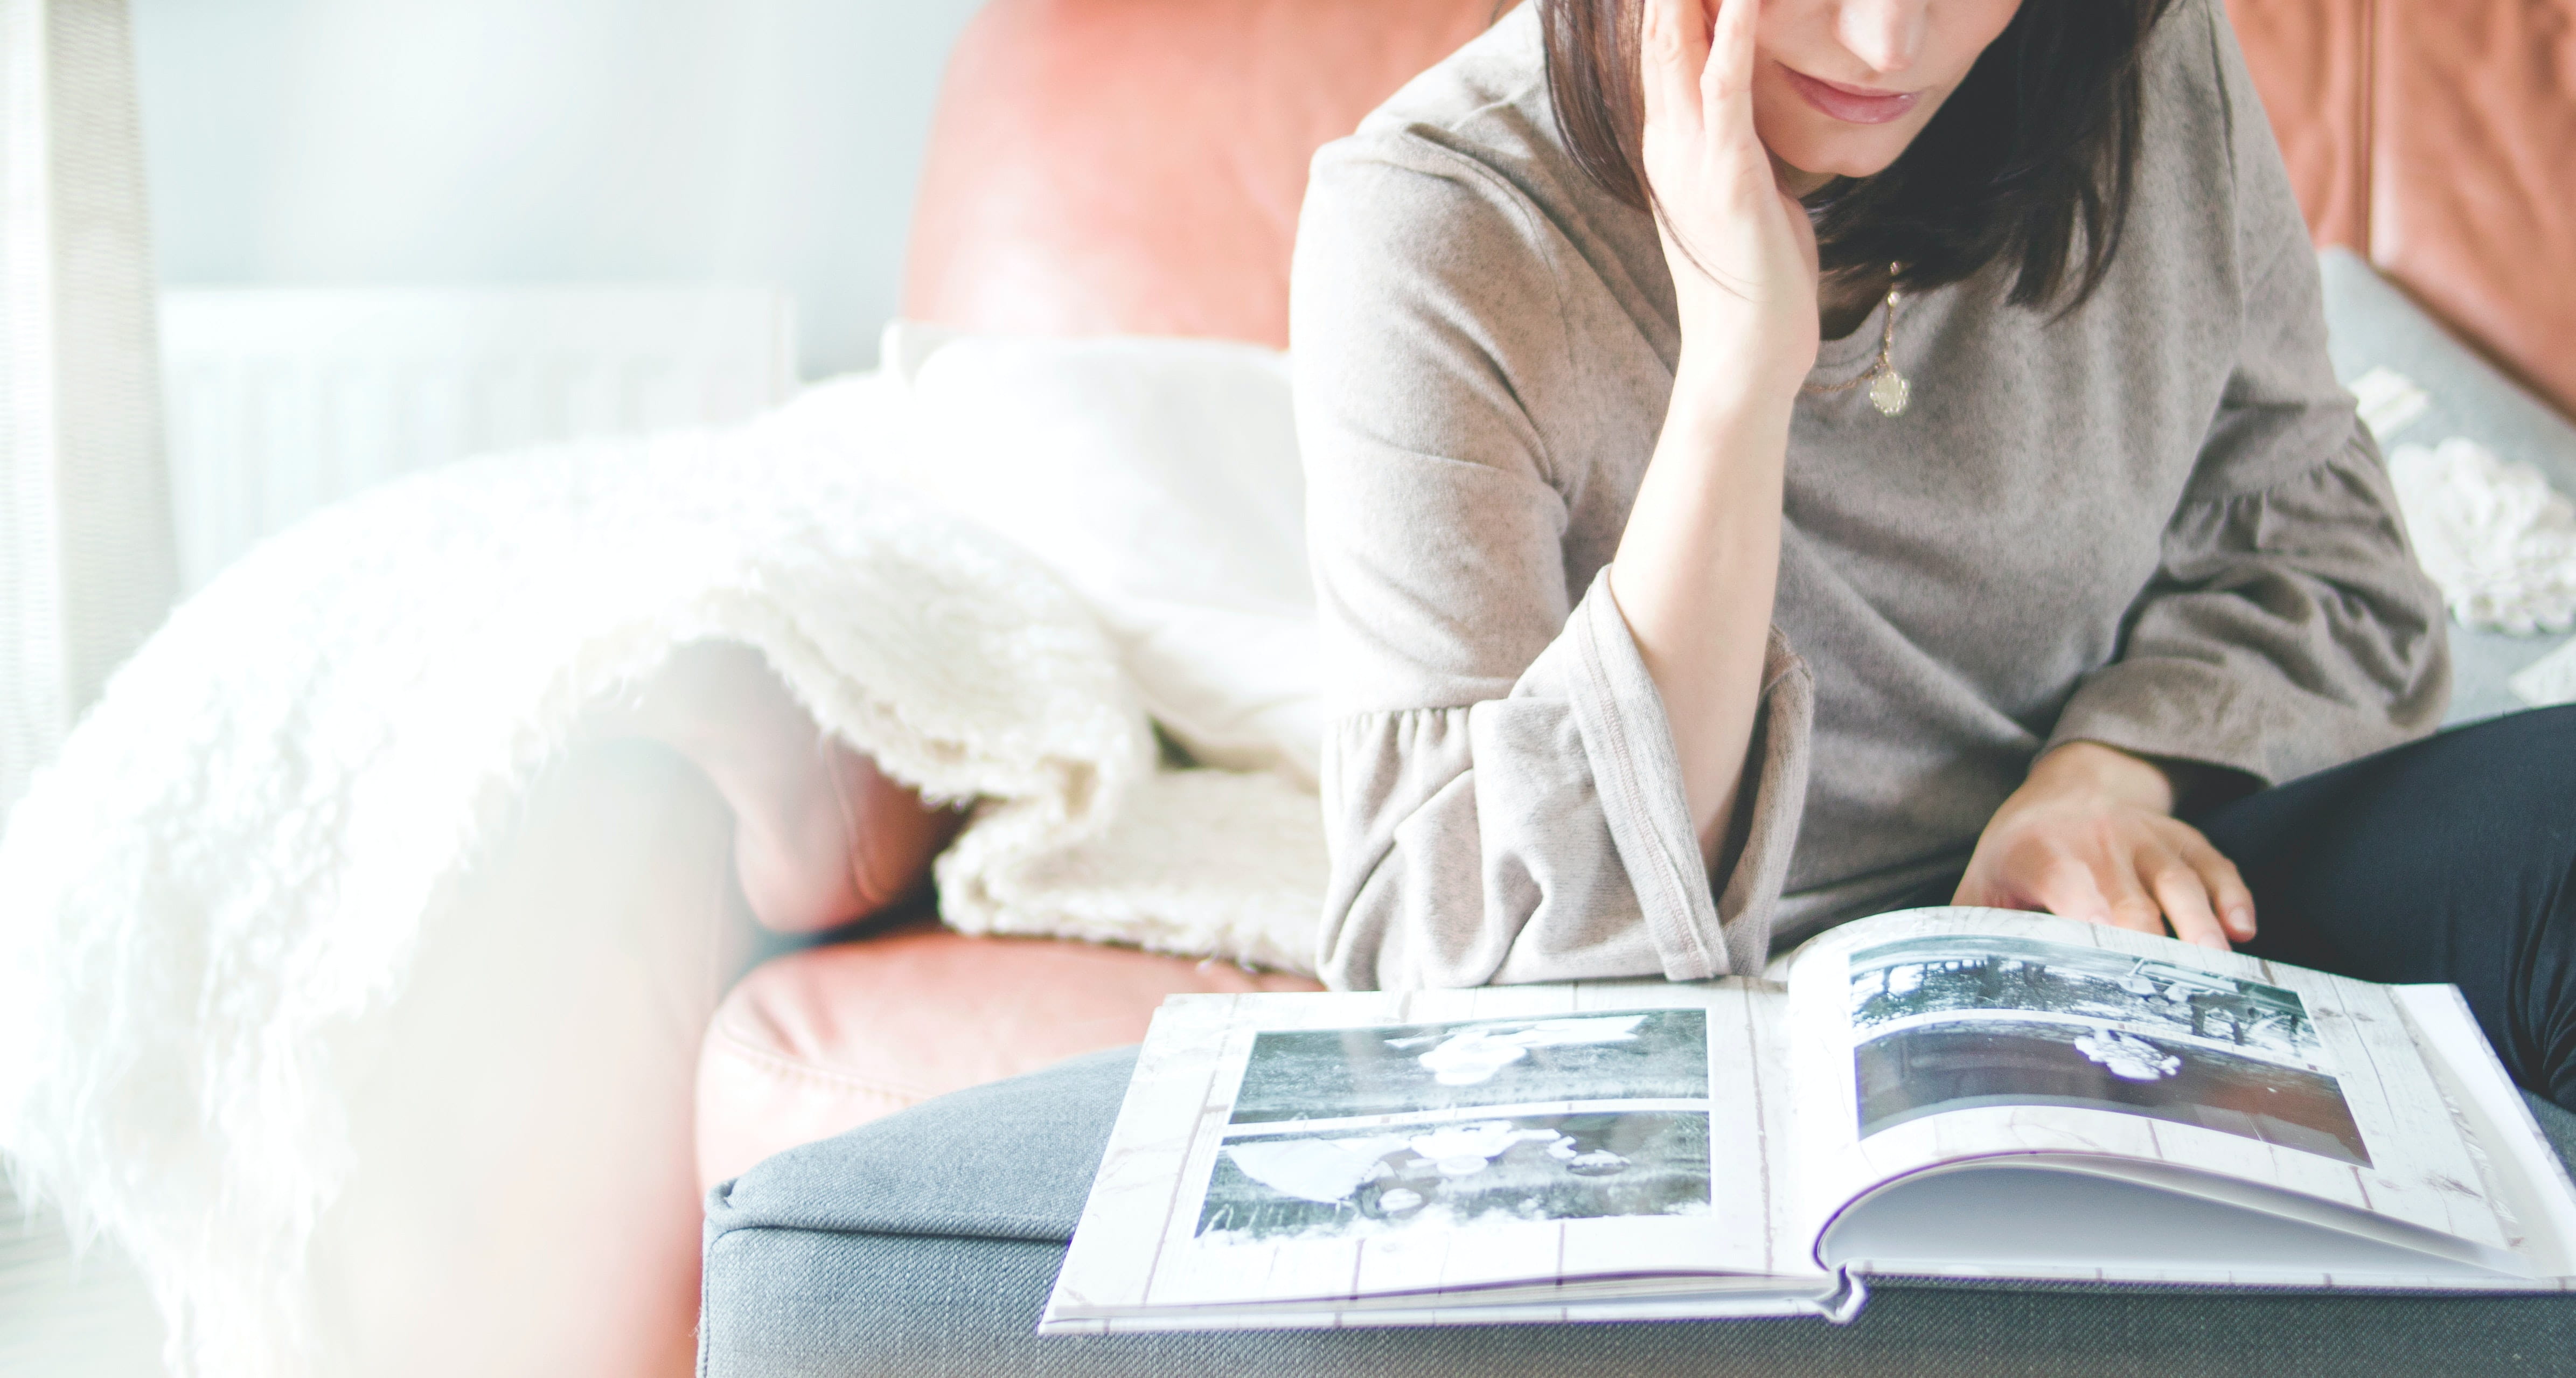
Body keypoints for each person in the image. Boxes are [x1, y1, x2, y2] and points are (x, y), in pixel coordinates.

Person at [1290, 0, 2574, 1109]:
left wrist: (2100, 785)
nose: (1888, 43)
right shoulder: (1439, 225)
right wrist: (1740, 372)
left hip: (2131, 903)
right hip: (1737, 1042)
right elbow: (1465, 972)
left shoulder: (2130, 59)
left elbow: (2325, 549)